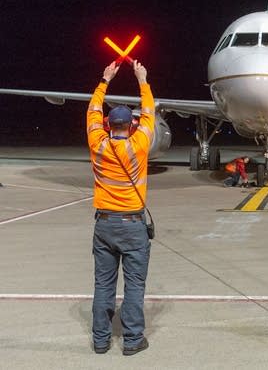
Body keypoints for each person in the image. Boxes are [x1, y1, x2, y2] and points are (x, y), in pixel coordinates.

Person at [87, 59, 155, 356]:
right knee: (134, 285)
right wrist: (143, 80)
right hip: (132, 225)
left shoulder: (97, 144)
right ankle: (132, 340)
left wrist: (104, 81)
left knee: (103, 284)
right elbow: (150, 113)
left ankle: (101, 340)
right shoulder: (138, 145)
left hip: (104, 225)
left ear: (107, 125)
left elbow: (91, 112)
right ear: (131, 125)